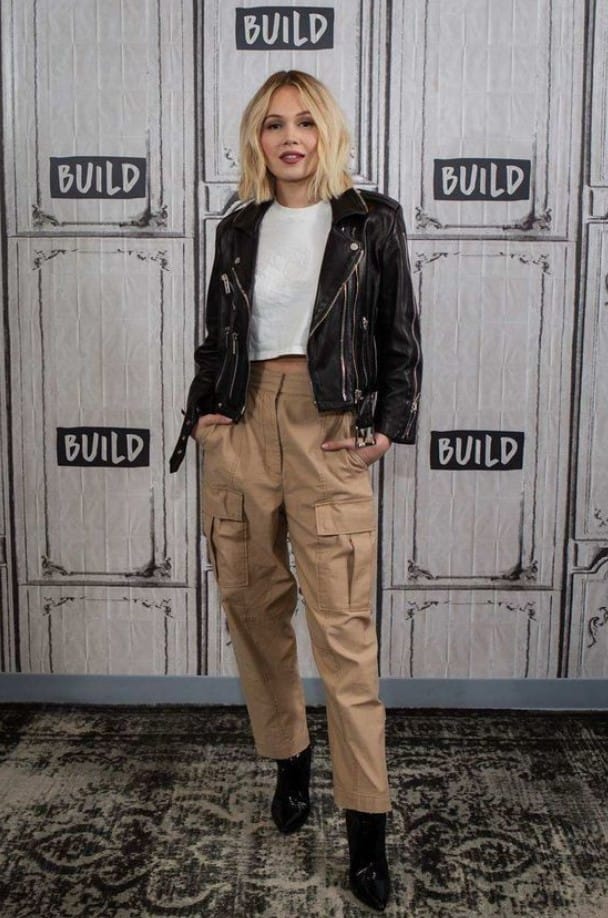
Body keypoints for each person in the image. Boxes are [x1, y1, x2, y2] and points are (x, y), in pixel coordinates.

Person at [170, 69, 421, 912]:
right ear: (258, 137)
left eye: (305, 122)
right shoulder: (238, 226)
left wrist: (389, 422)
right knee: (253, 610)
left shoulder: (370, 220)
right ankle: (290, 758)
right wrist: (205, 414)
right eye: (275, 124)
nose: (290, 138)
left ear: (327, 132)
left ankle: (365, 829)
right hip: (243, 423)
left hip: (329, 427)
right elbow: (218, 337)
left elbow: (400, 337)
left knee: (343, 635)